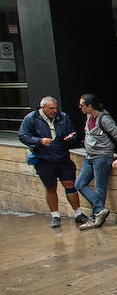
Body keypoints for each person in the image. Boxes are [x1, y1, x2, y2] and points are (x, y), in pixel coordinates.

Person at [17, 96, 88, 228]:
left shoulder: (63, 117)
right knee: (50, 187)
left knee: (70, 184)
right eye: (51, 108)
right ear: (42, 108)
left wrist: (71, 137)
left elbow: (73, 132)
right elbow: (22, 136)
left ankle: (78, 213)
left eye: (56, 108)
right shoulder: (31, 118)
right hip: (44, 159)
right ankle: (55, 216)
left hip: (62, 156)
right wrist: (40, 141)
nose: (54, 111)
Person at [75, 93, 117, 230]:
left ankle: (95, 217)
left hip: (102, 157)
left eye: (82, 105)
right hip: (89, 156)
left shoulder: (104, 119)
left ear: (89, 106)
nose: (80, 108)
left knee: (99, 187)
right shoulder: (88, 116)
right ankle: (99, 210)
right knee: (79, 183)